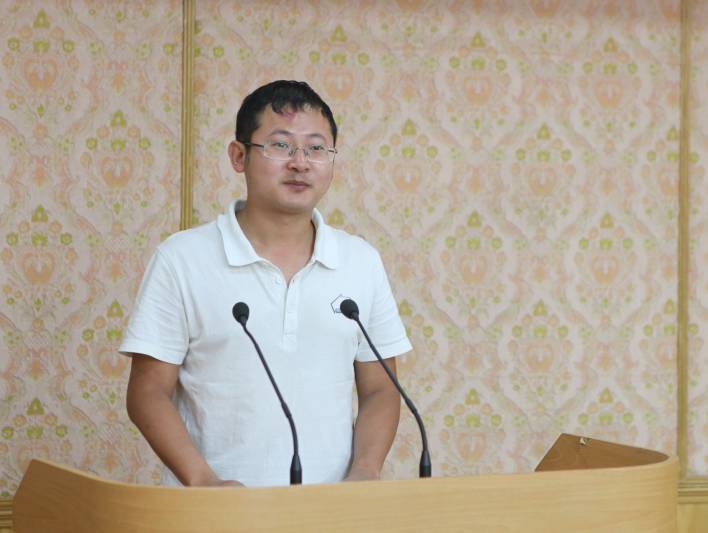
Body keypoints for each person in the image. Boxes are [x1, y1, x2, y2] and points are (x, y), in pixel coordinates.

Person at [120, 80, 412, 488]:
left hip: (333, 509)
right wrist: (203, 482)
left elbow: (381, 388)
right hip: (216, 508)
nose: (300, 163)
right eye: (280, 145)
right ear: (239, 156)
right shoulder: (182, 258)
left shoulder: (360, 261)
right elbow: (148, 393)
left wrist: (366, 469)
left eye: (316, 148)